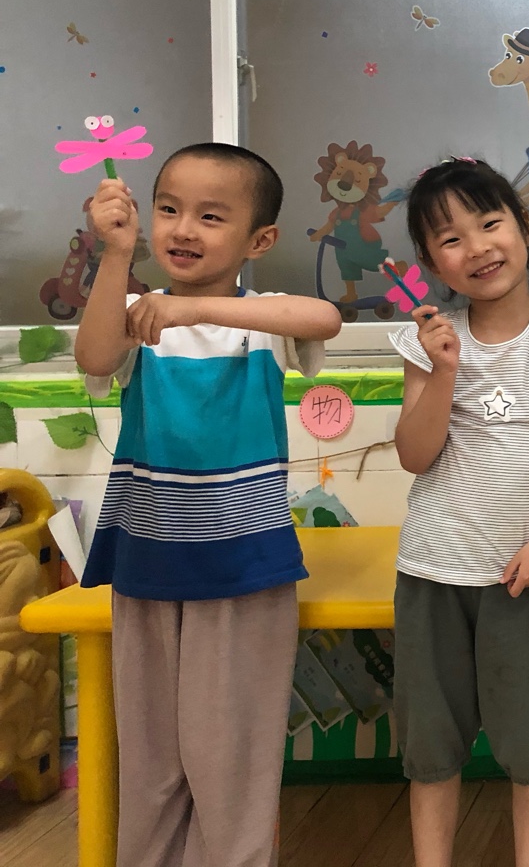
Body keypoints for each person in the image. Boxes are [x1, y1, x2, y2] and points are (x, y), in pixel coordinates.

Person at [74, 144, 343, 867]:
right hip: (146, 566)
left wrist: (188, 306)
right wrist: (116, 255)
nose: (183, 228)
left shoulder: (259, 320)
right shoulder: (134, 314)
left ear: (260, 240)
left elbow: (323, 317)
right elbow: (95, 357)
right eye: (168, 209)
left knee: (230, 763)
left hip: (243, 569)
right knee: (150, 763)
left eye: (211, 216)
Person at [388, 157, 529, 867]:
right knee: (431, 749)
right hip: (432, 571)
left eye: (490, 224)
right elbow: (414, 455)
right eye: (451, 239)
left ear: (525, 227)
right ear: (432, 262)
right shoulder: (428, 342)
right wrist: (444, 369)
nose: (478, 247)